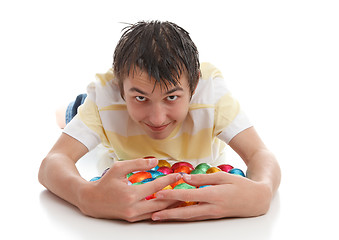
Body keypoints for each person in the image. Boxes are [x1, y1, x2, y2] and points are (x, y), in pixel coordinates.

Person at [38, 20, 281, 222]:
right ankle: (72, 109)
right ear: (120, 88)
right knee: (68, 114)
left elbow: (260, 153)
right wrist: (85, 196)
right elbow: (52, 163)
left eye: (172, 97)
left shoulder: (212, 97)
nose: (157, 118)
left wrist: (263, 191)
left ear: (194, 86)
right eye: (141, 97)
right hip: (102, 114)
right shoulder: (106, 100)